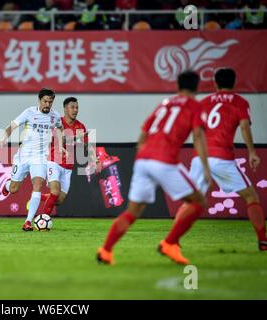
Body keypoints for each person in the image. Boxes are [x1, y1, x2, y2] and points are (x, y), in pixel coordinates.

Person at [97, 70, 211, 266]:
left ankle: (105, 251)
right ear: (197, 87)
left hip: (143, 159)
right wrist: (206, 168)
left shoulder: (165, 104)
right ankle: (169, 243)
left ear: (177, 86)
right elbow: (199, 136)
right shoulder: (195, 106)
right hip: (165, 159)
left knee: (132, 211)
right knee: (198, 201)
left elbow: (144, 129)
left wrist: (143, 153)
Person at [188, 68, 266, 251]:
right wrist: (252, 152)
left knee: (193, 201)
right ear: (234, 82)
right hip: (221, 156)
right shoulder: (240, 102)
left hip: (200, 157)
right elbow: (245, 127)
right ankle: (263, 240)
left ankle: (171, 240)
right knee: (250, 196)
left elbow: (196, 132)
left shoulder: (204, 102)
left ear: (215, 83)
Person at [0, 88, 64, 231]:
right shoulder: (29, 112)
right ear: (39, 100)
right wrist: (3, 139)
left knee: (38, 185)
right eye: (45, 101)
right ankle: (7, 186)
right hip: (23, 156)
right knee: (14, 188)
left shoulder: (55, 116)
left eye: (50, 102)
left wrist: (60, 145)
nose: (47, 104)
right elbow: (12, 125)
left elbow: (59, 128)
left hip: (40, 158)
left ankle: (28, 221)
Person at [38, 97, 99, 216]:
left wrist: (94, 158)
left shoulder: (80, 126)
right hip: (53, 162)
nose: (75, 110)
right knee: (55, 191)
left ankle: (36, 197)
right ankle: (44, 220)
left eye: (77, 108)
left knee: (59, 200)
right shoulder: (57, 122)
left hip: (68, 167)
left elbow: (87, 145)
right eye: (72, 107)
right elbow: (61, 139)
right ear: (65, 109)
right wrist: (76, 136)